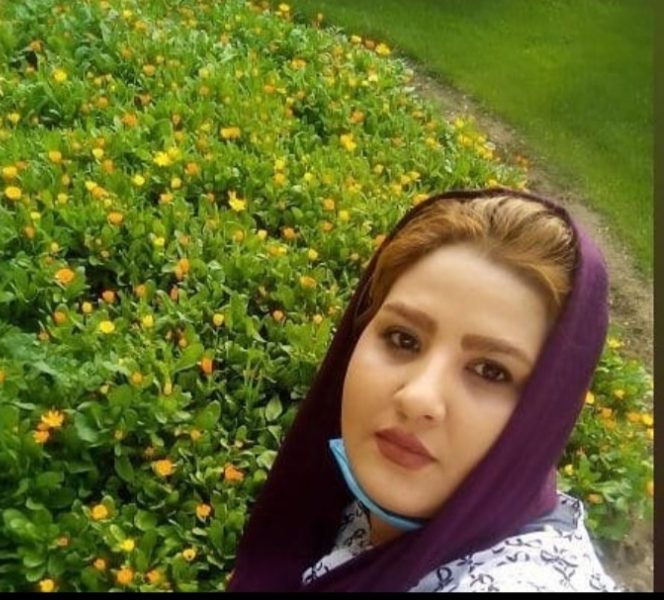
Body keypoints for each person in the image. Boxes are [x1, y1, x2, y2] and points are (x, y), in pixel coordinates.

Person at [226, 188, 621, 592]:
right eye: (403, 339)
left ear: (547, 415)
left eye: (490, 371)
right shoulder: (346, 507)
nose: (418, 398)